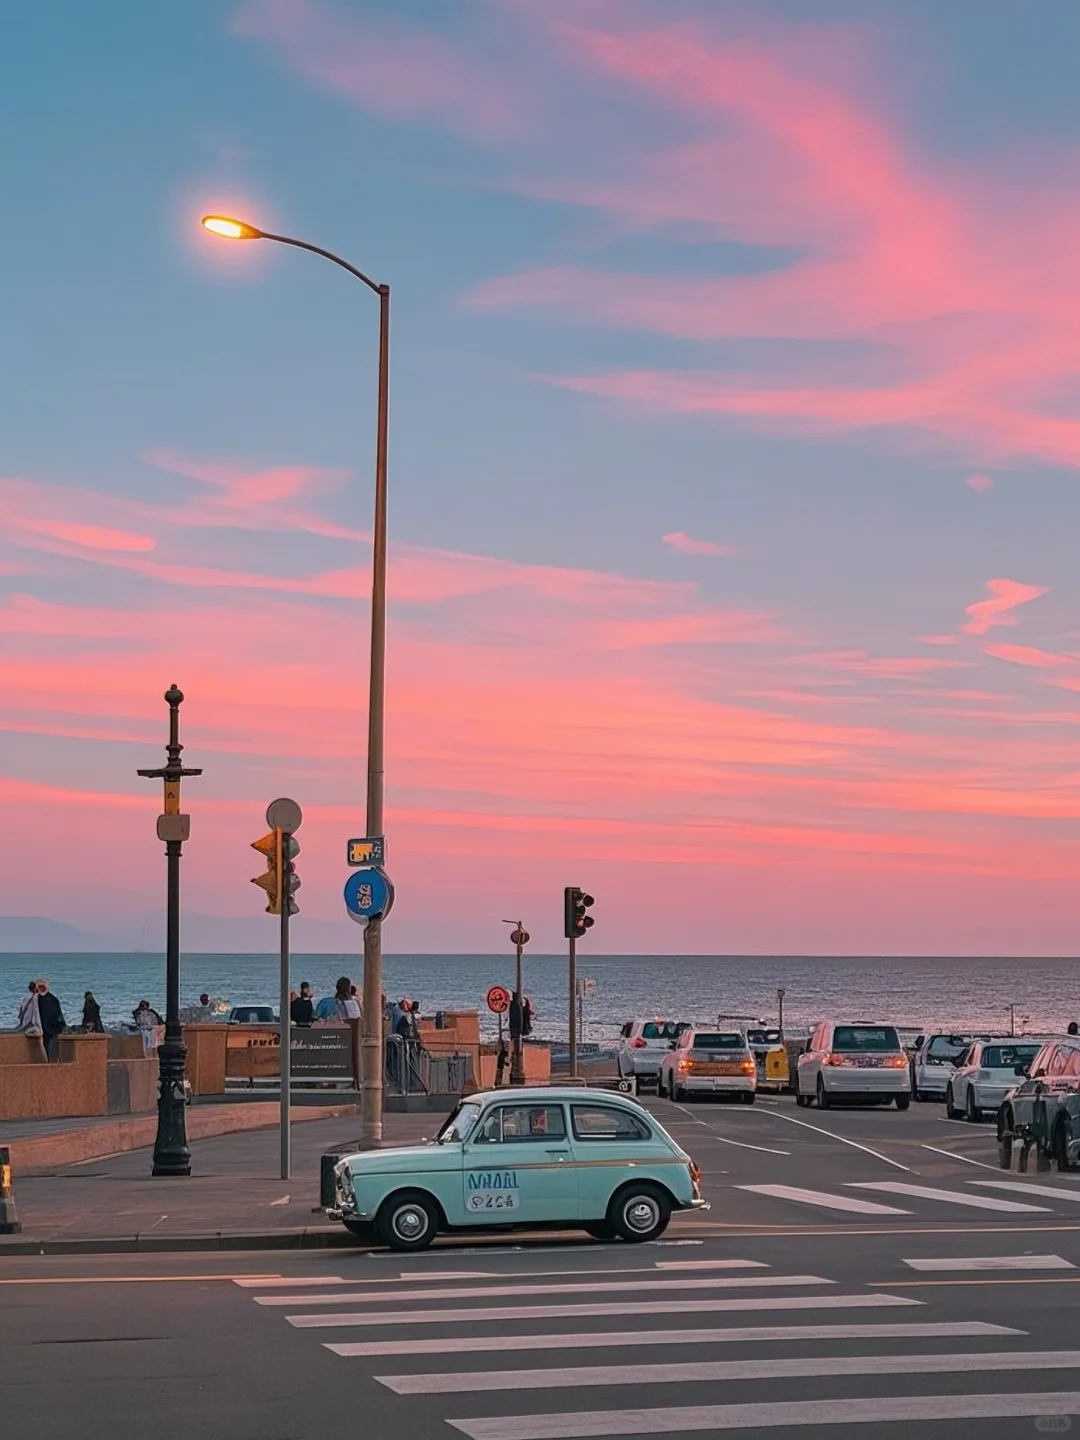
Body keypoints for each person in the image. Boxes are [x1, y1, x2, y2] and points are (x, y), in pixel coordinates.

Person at [36, 981, 67, 1061]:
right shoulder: (36, 999)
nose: (41, 989)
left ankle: (50, 1061)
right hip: (40, 1025)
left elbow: (58, 1013)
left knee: (51, 1046)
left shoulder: (53, 999)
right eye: (40, 987)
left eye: (43, 987)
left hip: (52, 1027)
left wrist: (60, 1025)